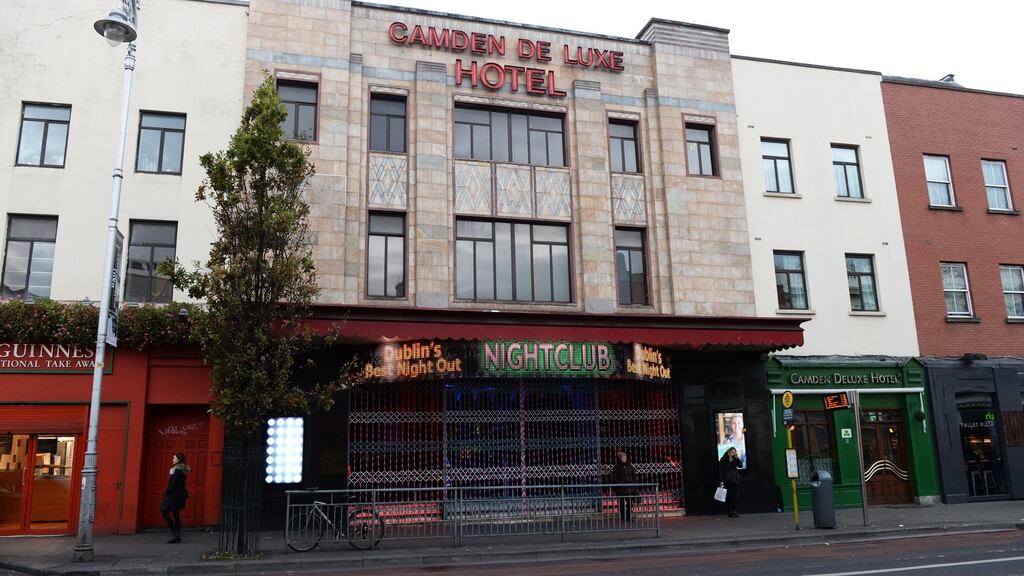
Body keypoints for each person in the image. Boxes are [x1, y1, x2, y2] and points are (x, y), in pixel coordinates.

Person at [161, 452, 190, 543]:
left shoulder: (177, 470)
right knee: (176, 515)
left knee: (164, 512)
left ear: (178, 459)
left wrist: (167, 492)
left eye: (174, 458)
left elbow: (174, 483)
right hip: (179, 495)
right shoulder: (183, 469)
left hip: (173, 495)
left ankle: (175, 533)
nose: (173, 459)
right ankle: (178, 535)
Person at [611, 451, 638, 522]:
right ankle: (623, 517)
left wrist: (633, 483)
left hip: (629, 488)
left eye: (625, 457)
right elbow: (614, 477)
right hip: (621, 489)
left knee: (629, 503)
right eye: (623, 457)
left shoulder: (630, 466)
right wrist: (620, 484)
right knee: (622, 503)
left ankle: (629, 517)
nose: (624, 458)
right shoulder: (617, 467)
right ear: (619, 458)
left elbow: (633, 475)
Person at [718, 447, 741, 517]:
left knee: (735, 496)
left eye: (734, 452)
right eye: (732, 452)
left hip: (735, 480)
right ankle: (730, 511)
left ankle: (734, 510)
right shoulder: (723, 459)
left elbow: (740, 465)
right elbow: (720, 470)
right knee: (729, 496)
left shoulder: (735, 459)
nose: (733, 454)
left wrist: (736, 458)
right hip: (727, 480)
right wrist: (721, 480)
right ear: (728, 452)